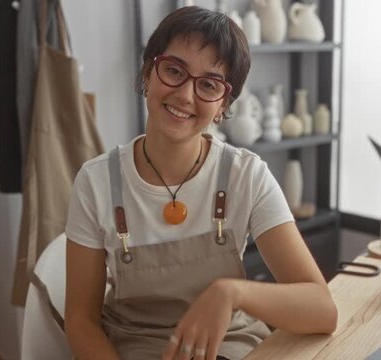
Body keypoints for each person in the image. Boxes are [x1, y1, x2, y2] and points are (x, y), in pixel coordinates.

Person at [64, 6, 337, 360]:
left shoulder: (247, 175)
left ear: (224, 104)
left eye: (208, 84)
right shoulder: (96, 181)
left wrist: (231, 293)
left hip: (229, 346)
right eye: (174, 71)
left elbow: (322, 310)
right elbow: (81, 320)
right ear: (148, 72)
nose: (185, 95)